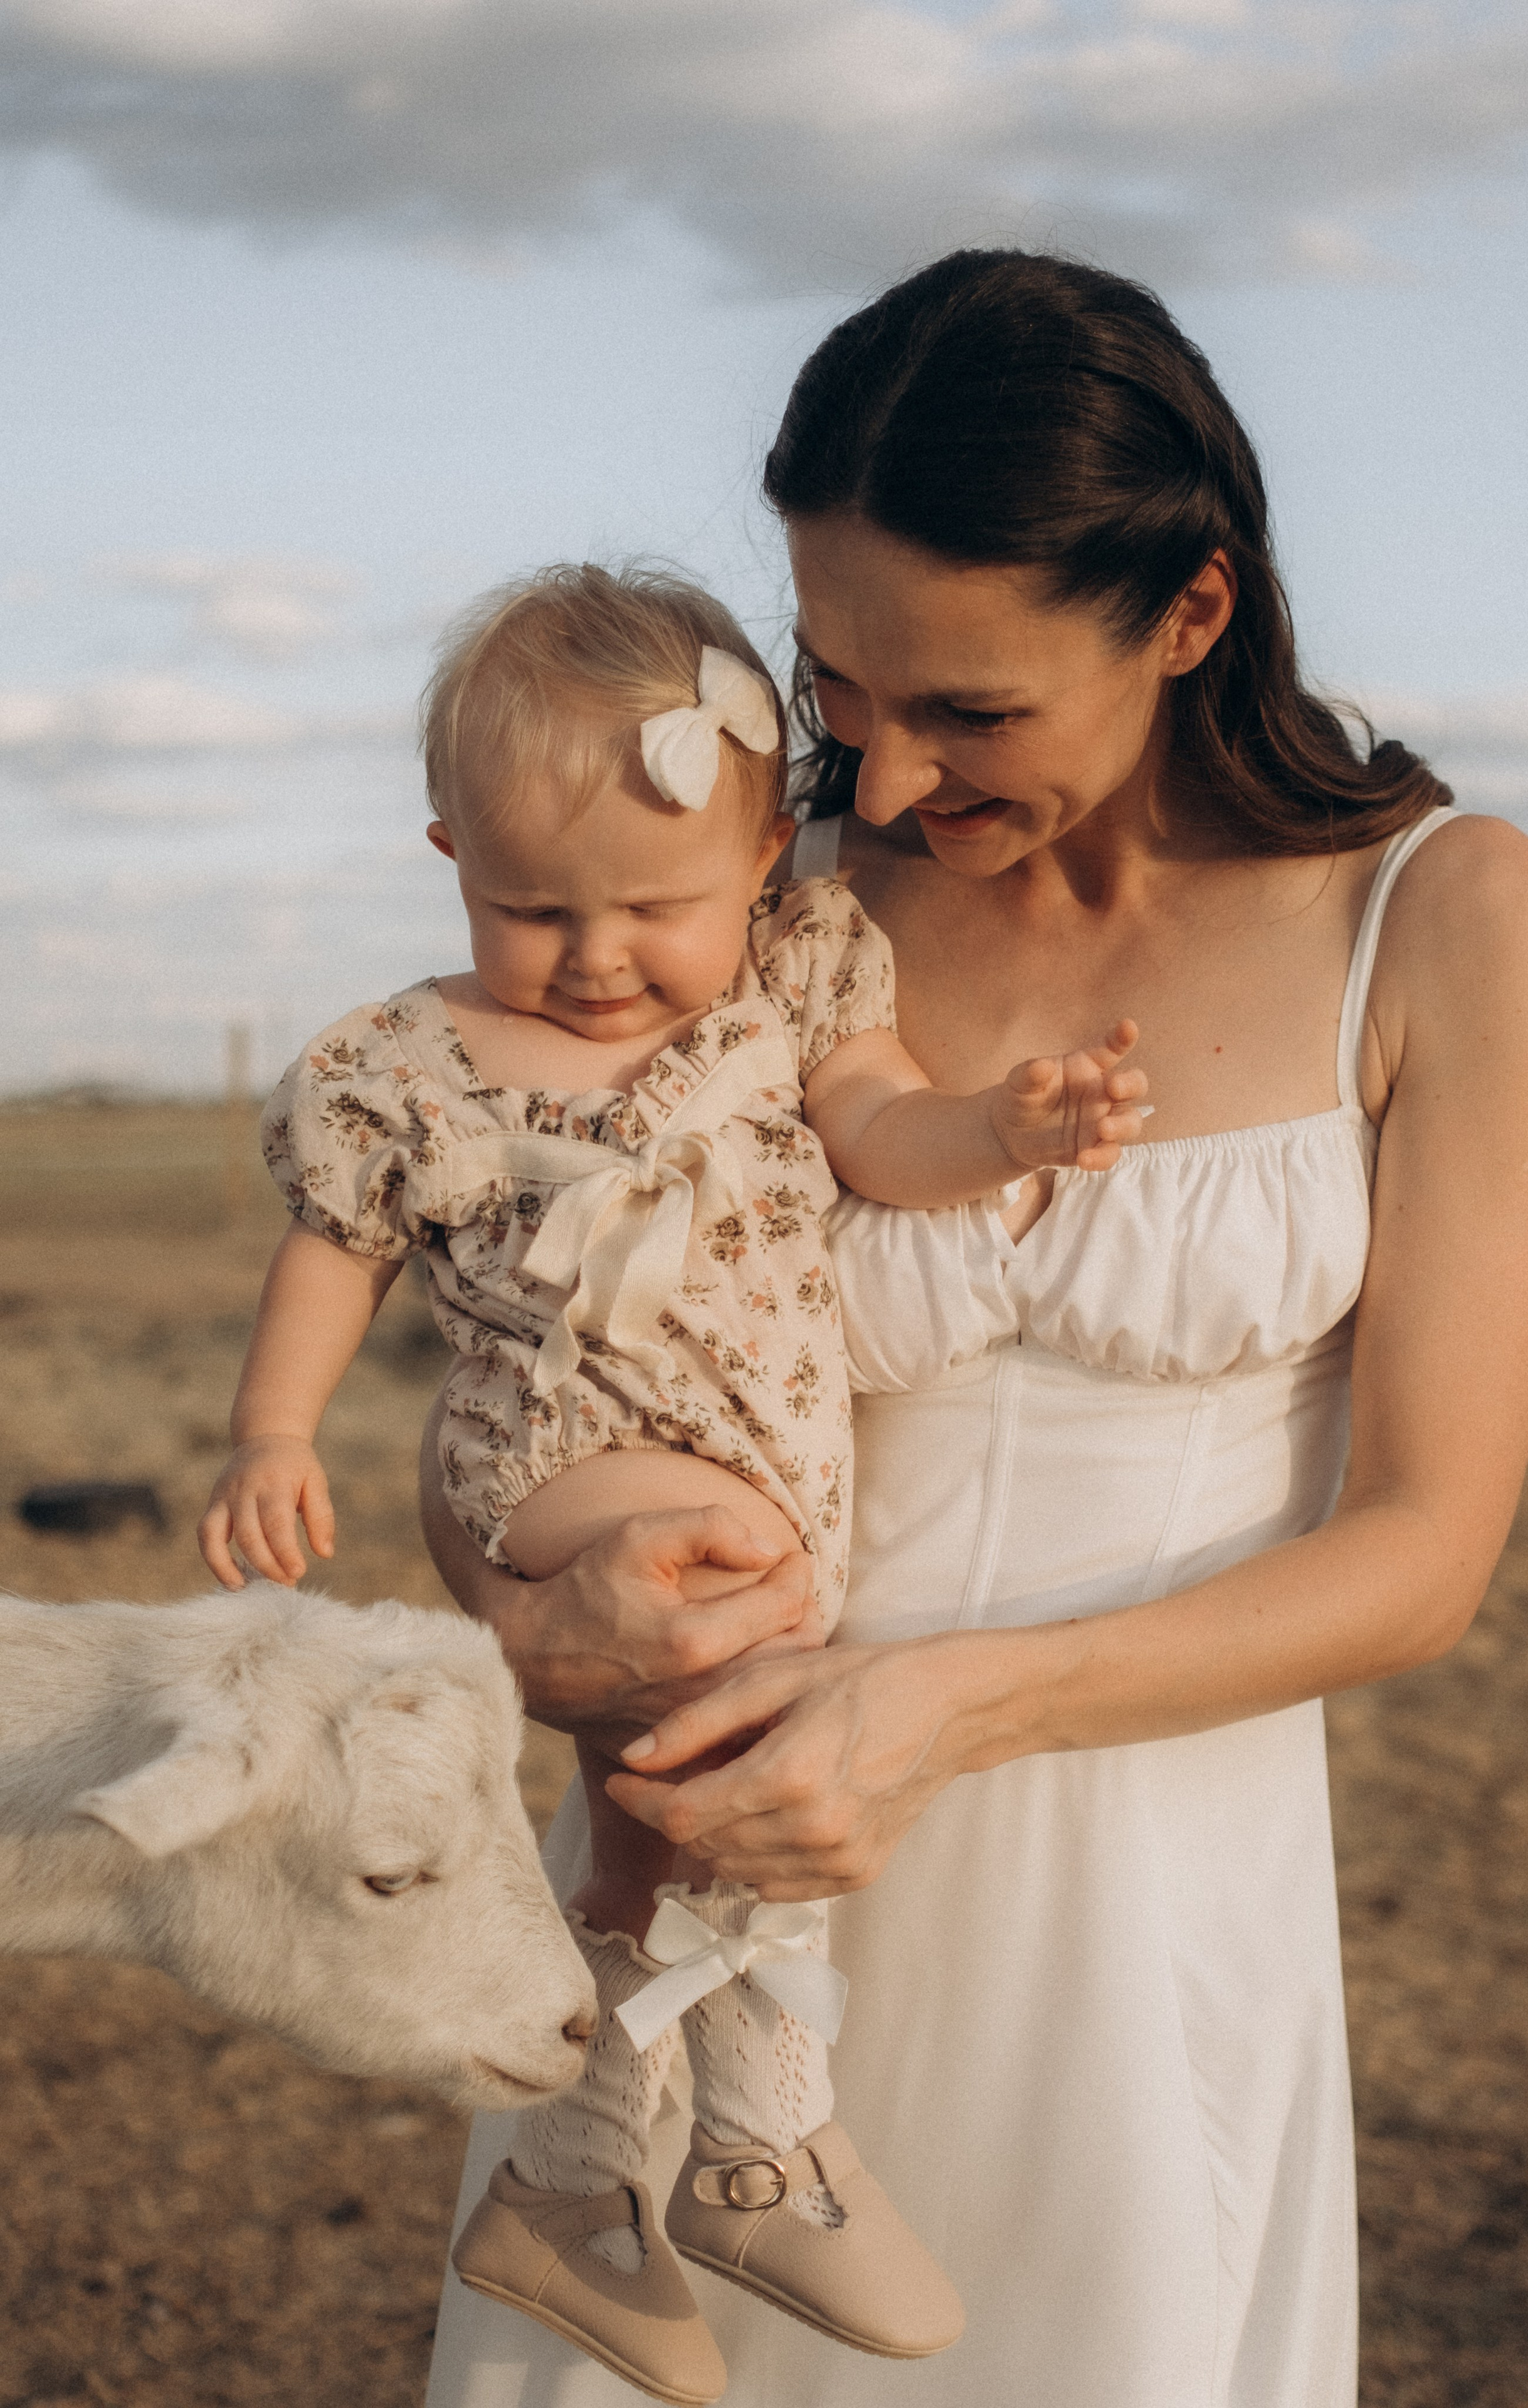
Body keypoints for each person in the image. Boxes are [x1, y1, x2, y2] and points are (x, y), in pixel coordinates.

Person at [423, 250, 1528, 2408]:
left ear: (1191, 616)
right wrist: (523, 1610)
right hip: (725, 1860)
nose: (886, 775)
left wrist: (946, 1713)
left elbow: (1421, 1555)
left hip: (1136, 1916)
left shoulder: (1454, 919)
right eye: (847, 691)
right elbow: (538, 1364)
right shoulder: (764, 923)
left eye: (974, 709)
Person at [198, 559, 1147, 2404]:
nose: (594, 954)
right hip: (558, 1459)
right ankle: (763, 2141)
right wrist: (271, 1434)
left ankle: (583, 2181)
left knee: (666, 1813)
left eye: (654, 906)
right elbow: (334, 1253)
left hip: (767, 1478)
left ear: (764, 862)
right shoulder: (418, 1062)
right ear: (445, 850)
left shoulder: (793, 984)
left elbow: (881, 1129)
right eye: (527, 905)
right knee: (711, 1745)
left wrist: (1005, 1130)